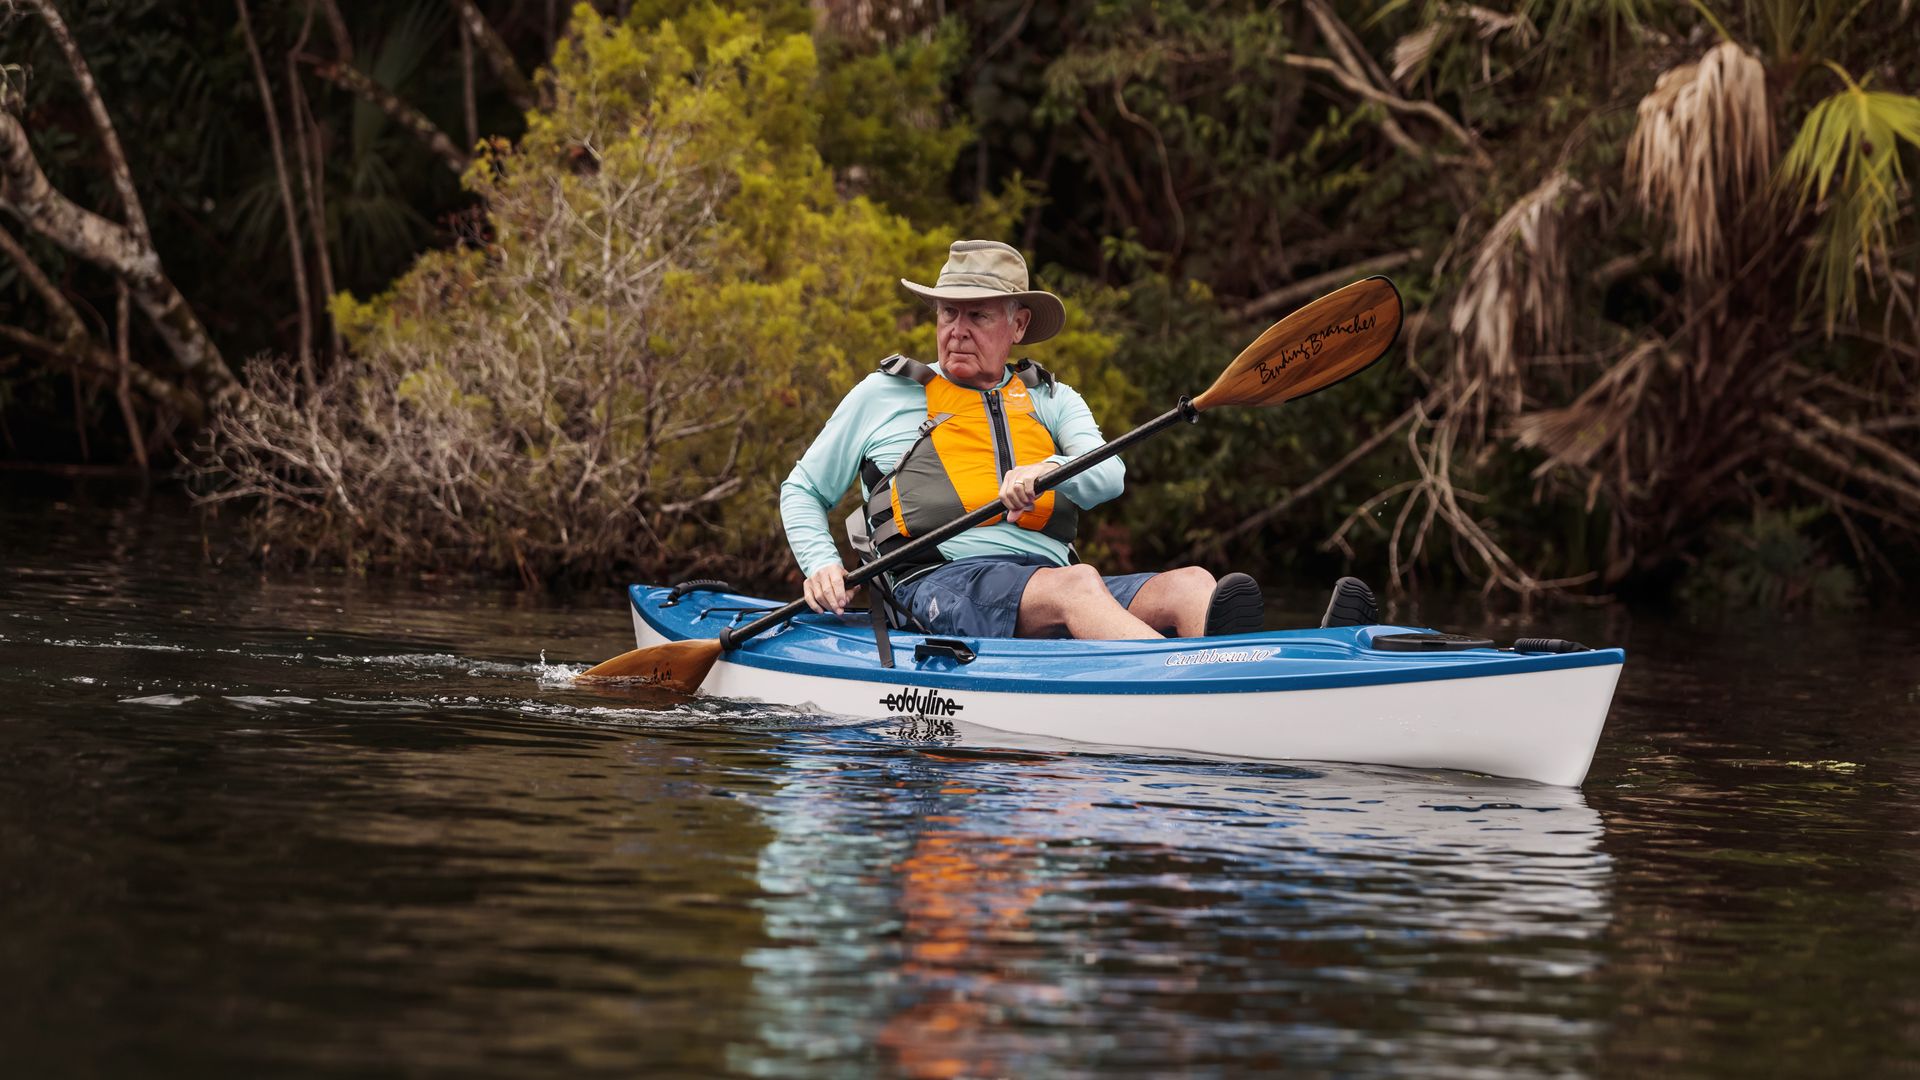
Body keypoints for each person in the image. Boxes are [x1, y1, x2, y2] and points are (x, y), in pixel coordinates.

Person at [780, 239, 1372, 639]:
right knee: (1078, 585)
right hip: (936, 586)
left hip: (1043, 582)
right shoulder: (883, 395)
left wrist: (1048, 470)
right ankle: (1197, 687)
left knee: (1193, 583)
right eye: (946, 314)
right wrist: (821, 563)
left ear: (1018, 325)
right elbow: (803, 488)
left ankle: (1279, 669)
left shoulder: (1052, 398)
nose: (956, 330)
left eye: (978, 315)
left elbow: (1108, 477)